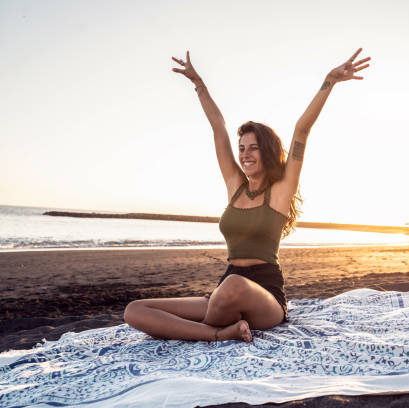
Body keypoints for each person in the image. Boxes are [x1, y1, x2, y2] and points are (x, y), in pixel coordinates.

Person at [123, 48, 371, 342]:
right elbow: (218, 128)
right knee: (135, 310)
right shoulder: (235, 185)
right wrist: (199, 84)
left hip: (264, 295)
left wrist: (328, 81)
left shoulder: (280, 191)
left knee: (233, 287)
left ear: (266, 151)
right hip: (224, 291)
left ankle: (203, 329)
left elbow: (301, 131)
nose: (244, 154)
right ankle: (219, 332)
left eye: (252, 147)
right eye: (241, 148)